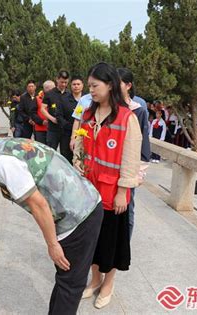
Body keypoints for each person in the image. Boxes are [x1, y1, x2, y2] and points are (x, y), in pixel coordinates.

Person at [0, 127, 103, 315]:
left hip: (78, 216)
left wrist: (52, 244)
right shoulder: (7, 144)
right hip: (85, 201)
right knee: (67, 281)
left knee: (71, 285)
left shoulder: (1, 162)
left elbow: (39, 205)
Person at [79, 63, 141, 309]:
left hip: (113, 192)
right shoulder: (87, 115)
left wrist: (123, 191)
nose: (90, 90)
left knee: (111, 242)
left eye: (95, 86)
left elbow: (130, 158)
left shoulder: (127, 118)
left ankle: (108, 283)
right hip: (89, 190)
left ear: (110, 85)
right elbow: (81, 147)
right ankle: (95, 279)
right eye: (89, 86)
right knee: (92, 239)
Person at [117, 67, 151, 240]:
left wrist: (137, 175)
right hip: (107, 169)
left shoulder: (138, 110)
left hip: (128, 170)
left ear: (128, 85)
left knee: (127, 209)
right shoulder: (105, 107)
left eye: (118, 83)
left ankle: (124, 245)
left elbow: (143, 147)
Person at [56, 76, 83, 164]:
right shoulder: (64, 99)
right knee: (66, 159)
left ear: (82, 85)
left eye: (78, 84)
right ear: (70, 86)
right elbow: (59, 116)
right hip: (66, 134)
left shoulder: (87, 99)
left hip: (84, 134)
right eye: (74, 84)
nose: (76, 86)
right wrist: (71, 127)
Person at [42, 70, 70, 150]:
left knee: (66, 153)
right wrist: (52, 119)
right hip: (53, 129)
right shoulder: (49, 94)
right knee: (50, 151)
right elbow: (42, 109)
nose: (64, 84)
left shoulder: (69, 94)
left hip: (65, 130)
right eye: (62, 82)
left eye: (66, 82)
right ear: (57, 79)